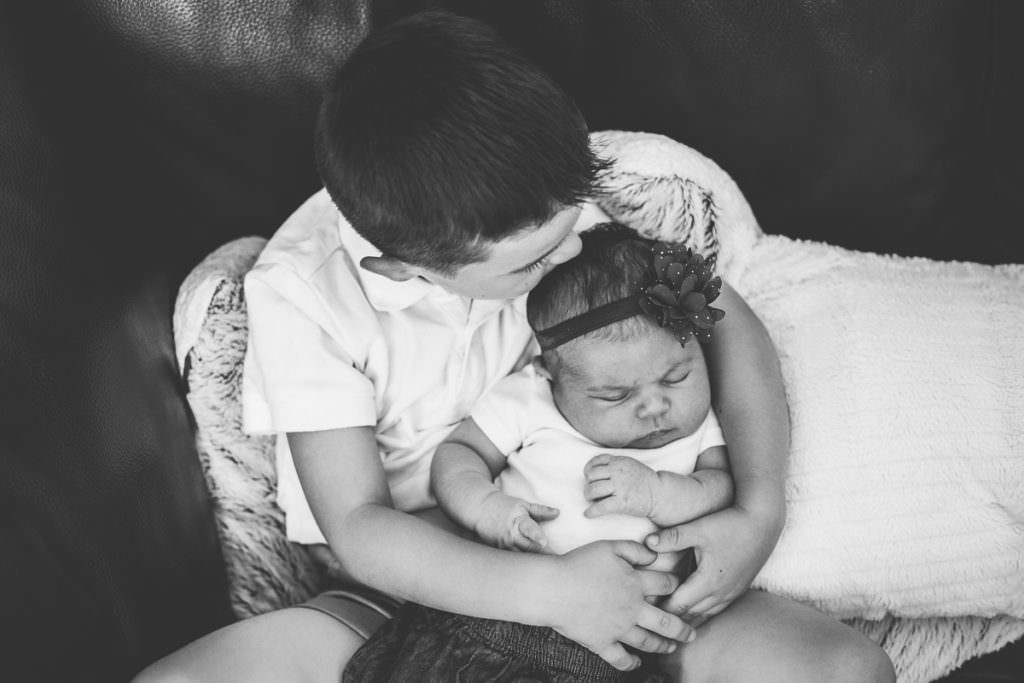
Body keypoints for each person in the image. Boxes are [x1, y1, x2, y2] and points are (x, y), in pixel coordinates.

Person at [134, 10, 895, 683]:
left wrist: (756, 512)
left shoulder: (548, 207)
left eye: (569, 233)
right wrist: (550, 593)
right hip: (414, 598)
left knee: (845, 669)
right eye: (530, 264)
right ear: (409, 266)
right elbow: (360, 524)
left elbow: (726, 318)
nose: (567, 264)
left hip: (625, 565)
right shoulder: (304, 293)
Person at [343, 224, 737, 681]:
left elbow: (722, 485)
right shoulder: (532, 400)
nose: (655, 406)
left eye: (676, 377)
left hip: (607, 648)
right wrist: (484, 507)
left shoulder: (695, 424)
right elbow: (461, 453)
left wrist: (659, 495)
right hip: (488, 613)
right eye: (614, 396)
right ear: (550, 376)